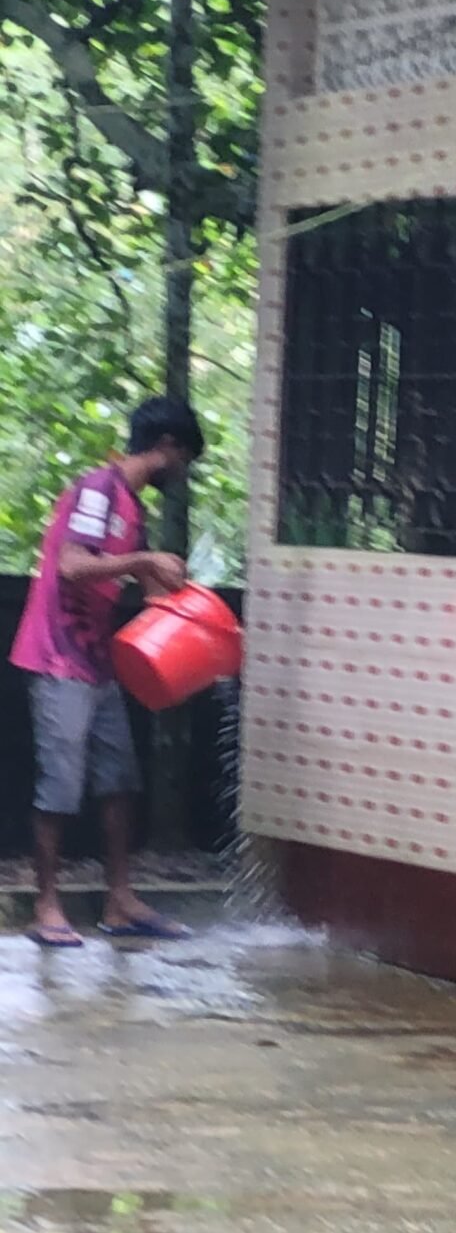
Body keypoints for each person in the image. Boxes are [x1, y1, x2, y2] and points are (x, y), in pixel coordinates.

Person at [10, 396, 203, 949]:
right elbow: (72, 566)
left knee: (119, 781)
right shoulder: (99, 490)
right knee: (61, 784)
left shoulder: (131, 508)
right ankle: (47, 905)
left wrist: (186, 605)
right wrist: (144, 562)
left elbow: (144, 585)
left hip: (97, 661)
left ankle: (120, 901)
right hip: (57, 657)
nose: (181, 473)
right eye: (183, 459)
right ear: (165, 445)